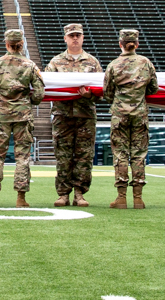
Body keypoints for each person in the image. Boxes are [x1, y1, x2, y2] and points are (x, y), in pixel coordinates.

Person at [0, 29, 44, 208]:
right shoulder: (30, 65)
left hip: (1, 116)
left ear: (6, 43)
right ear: (22, 43)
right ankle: (21, 198)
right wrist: (28, 100)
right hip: (23, 116)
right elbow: (40, 93)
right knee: (23, 157)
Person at [44, 23, 101, 207]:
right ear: (65, 38)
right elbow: (47, 85)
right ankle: (63, 194)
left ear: (83, 38)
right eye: (72, 35)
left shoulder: (92, 63)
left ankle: (79, 193)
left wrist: (90, 94)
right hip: (63, 115)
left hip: (85, 116)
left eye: (78, 35)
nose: (75, 38)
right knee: (63, 156)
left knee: (84, 156)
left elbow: (103, 91)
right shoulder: (55, 63)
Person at [103, 29, 158, 209]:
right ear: (137, 44)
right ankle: (138, 197)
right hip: (140, 114)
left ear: (120, 44)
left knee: (120, 154)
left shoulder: (114, 65)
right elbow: (153, 88)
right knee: (138, 155)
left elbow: (107, 93)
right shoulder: (146, 63)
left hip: (120, 115)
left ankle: (121, 197)